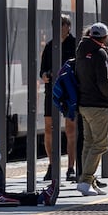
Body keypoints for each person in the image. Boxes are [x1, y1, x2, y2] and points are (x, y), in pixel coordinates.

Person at [74, 21, 108, 196]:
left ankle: (89, 181)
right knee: (101, 144)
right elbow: (104, 81)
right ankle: (85, 180)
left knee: (89, 143)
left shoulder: (81, 50)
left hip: (84, 104)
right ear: (105, 37)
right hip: (98, 105)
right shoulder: (100, 54)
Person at [40, 15, 78, 181]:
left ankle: (71, 167)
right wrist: (44, 76)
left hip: (69, 92)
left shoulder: (75, 45)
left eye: (61, 24)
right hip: (52, 91)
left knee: (70, 129)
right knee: (49, 128)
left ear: (68, 26)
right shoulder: (49, 46)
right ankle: (52, 164)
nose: (58, 28)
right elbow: (42, 70)